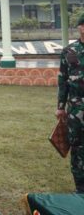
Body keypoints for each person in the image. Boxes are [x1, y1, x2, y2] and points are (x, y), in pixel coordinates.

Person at [56, 13, 84, 193]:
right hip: (76, 109)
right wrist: (60, 107)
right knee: (77, 147)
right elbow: (63, 80)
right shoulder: (69, 51)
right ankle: (80, 189)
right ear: (80, 27)